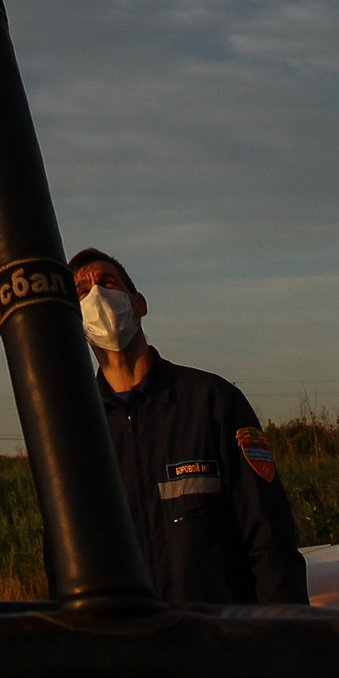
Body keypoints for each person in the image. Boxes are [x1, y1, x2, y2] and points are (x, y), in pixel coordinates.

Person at [70, 246, 307, 605]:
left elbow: (270, 540)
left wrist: (282, 642)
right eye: (82, 292)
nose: (97, 296)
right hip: (129, 653)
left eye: (108, 282)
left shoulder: (212, 402)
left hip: (219, 648)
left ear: (138, 303)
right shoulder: (78, 434)